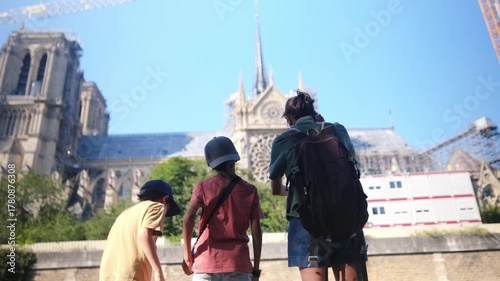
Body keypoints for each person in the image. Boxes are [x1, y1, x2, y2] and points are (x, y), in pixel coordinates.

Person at [269, 90, 360, 281]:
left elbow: (276, 188)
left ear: (288, 119)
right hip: (344, 216)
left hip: (305, 221)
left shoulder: (284, 140)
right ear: (314, 112)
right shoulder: (337, 130)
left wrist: (301, 191)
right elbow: (352, 164)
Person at [182, 136, 263, 281]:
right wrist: (255, 270)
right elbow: (256, 231)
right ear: (234, 159)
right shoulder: (250, 190)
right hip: (238, 264)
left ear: (212, 164)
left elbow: (188, 218)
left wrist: (187, 256)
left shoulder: (203, 187)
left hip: (206, 262)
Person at [99, 179, 181, 281]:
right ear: (165, 199)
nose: (166, 210)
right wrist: (158, 272)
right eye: (168, 207)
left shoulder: (125, 214)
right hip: (131, 274)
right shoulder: (157, 206)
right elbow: (144, 236)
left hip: (109, 275)